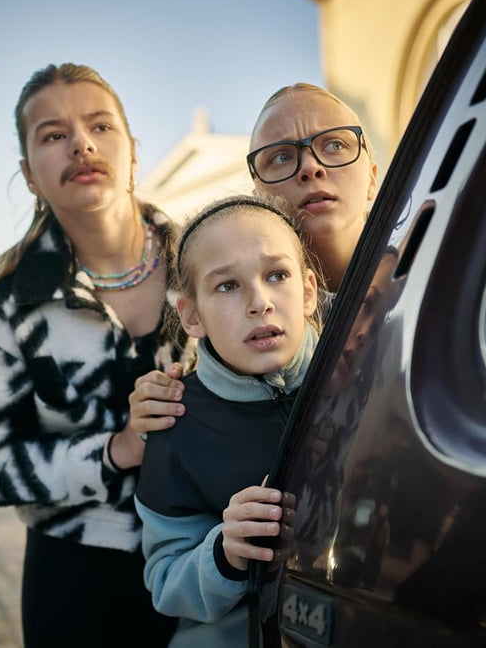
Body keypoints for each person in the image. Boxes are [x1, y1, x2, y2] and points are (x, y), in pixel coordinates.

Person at [0, 63, 191, 647]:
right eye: (53, 135)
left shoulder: (205, 262)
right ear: (30, 175)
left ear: (132, 152)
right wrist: (114, 451)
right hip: (74, 577)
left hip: (208, 559)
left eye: (100, 126)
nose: (81, 144)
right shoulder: (10, 301)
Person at [128, 82, 377, 436]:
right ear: (259, 196)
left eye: (335, 145)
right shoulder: (236, 344)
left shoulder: (438, 269)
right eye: (281, 157)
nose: (310, 167)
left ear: (372, 178)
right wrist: (161, 405)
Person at [134, 195, 321, 647]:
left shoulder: (363, 376)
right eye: (227, 285)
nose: (260, 302)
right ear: (191, 315)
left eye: (276, 275)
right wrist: (225, 553)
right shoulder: (175, 424)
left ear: (308, 291)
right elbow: (165, 579)